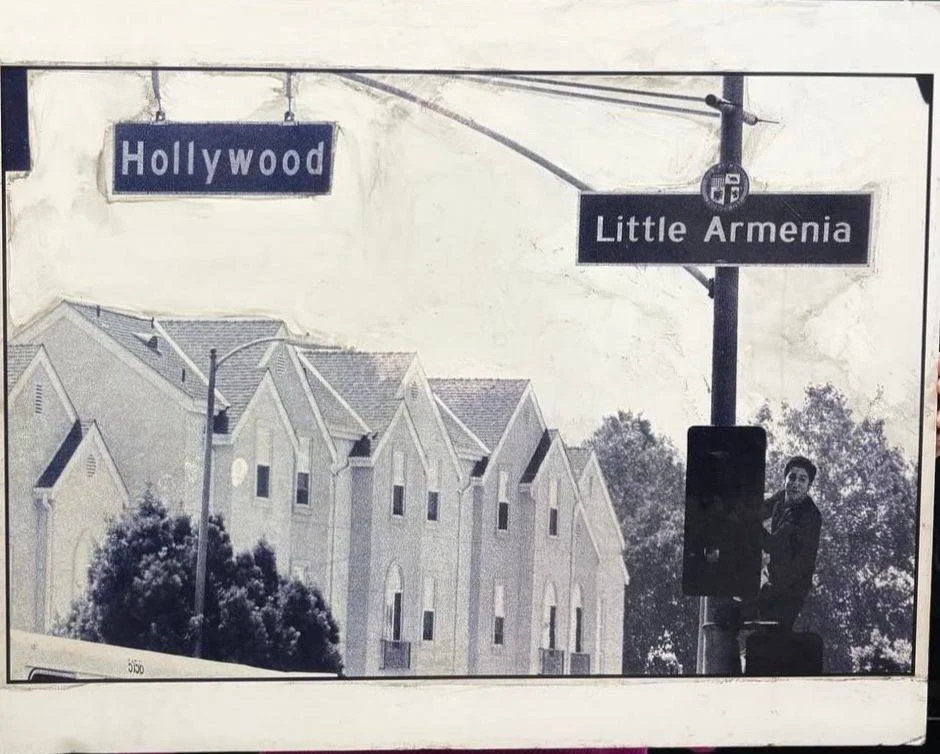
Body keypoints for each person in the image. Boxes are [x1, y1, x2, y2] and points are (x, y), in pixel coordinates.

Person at [757, 455, 822, 631]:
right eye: (792, 477)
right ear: (785, 479)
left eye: (802, 479)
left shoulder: (808, 516)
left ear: (808, 486)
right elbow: (758, 513)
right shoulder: (781, 497)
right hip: (774, 580)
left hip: (792, 590)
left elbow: (772, 545)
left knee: (774, 637)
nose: (795, 483)